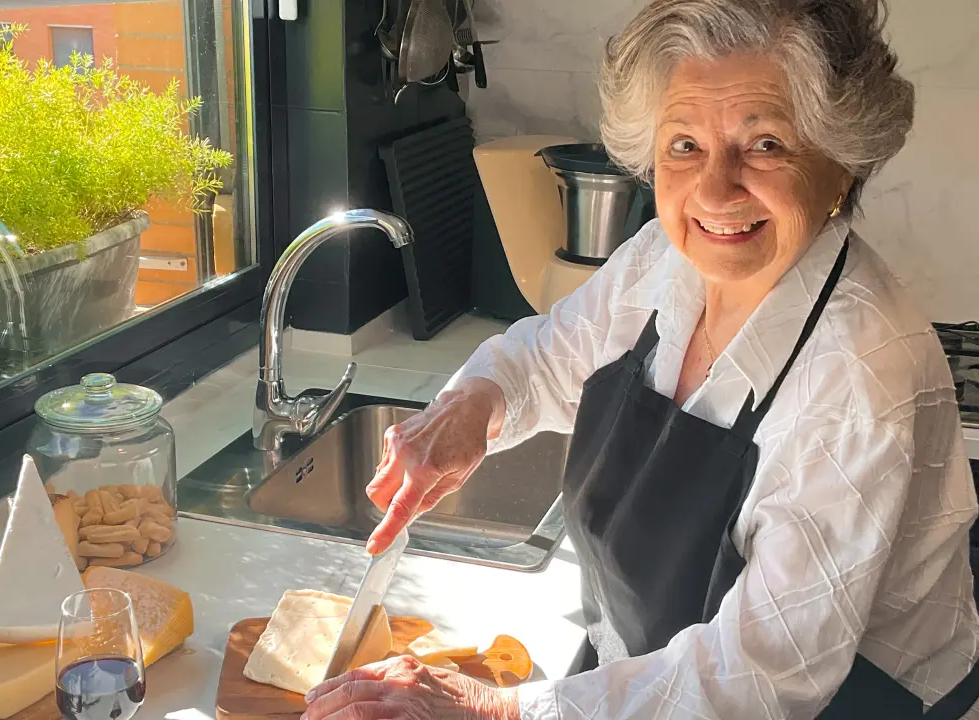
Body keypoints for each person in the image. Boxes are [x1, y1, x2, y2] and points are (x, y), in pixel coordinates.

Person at [301, 1, 979, 718]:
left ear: (840, 165)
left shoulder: (860, 374)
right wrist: (473, 404)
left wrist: (496, 709)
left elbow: (758, 675)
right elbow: (550, 356)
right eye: (684, 145)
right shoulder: (663, 257)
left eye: (765, 144)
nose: (713, 190)